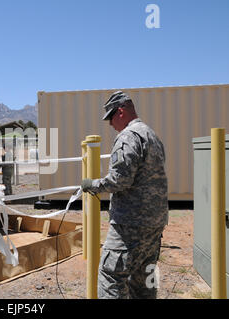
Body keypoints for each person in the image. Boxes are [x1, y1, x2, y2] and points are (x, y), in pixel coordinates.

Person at [81, 91, 168, 299]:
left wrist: (91, 184)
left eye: (111, 117)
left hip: (129, 225)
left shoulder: (128, 137)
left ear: (120, 111)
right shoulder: (151, 135)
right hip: (154, 224)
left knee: (111, 276)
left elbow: (120, 180)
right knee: (144, 280)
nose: (110, 124)